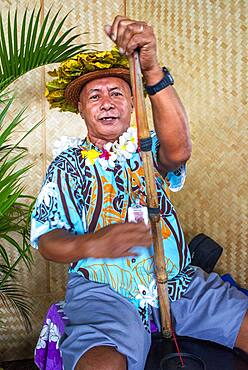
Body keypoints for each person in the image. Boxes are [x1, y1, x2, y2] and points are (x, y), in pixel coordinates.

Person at [31, 15, 248, 370]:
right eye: (94, 96)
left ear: (132, 105)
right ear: (82, 110)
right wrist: (92, 244)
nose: (106, 101)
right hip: (103, 291)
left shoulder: (145, 149)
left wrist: (150, 71)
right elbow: (45, 239)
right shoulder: (66, 166)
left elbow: (179, 150)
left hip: (180, 284)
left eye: (117, 93)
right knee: (101, 364)